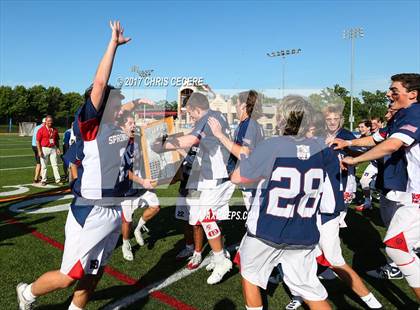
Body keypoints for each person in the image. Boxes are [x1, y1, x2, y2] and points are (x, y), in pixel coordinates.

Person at [16, 20, 132, 310]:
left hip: (112, 210)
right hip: (90, 211)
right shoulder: (90, 125)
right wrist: (113, 45)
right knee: (69, 276)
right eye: (114, 103)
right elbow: (101, 83)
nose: (118, 107)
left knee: (94, 271)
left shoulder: (116, 131)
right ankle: (27, 293)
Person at [231, 95, 336, 310]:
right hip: (304, 231)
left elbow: (237, 177)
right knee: (310, 292)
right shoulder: (323, 149)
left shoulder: (273, 145)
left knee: (250, 276)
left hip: (267, 229)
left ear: (283, 119)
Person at [341, 73, 420, 301]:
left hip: (416, 194)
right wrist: (348, 142)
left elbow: (391, 145)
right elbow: (378, 138)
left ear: (412, 95)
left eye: (394, 90)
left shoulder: (415, 112)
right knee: (399, 245)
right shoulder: (404, 115)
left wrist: (355, 160)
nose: (388, 94)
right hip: (409, 192)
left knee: (397, 246)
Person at [153, 92, 234, 284]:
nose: (191, 118)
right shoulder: (216, 115)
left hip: (217, 177)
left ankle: (221, 259)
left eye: (191, 114)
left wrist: (163, 144)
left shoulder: (207, 118)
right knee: (209, 219)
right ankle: (218, 255)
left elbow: (191, 140)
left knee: (205, 218)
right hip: (218, 175)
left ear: (197, 109)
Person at [208, 89, 264, 210]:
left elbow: (244, 153)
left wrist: (219, 135)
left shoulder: (249, 124)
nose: (236, 107)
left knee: (255, 223)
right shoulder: (249, 124)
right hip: (251, 180)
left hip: (251, 183)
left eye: (237, 104)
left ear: (243, 106)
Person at [118, 112, 160, 261]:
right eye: (130, 123)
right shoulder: (118, 145)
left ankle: (138, 229)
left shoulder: (137, 140)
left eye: (134, 122)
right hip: (127, 188)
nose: (133, 125)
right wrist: (142, 181)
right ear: (122, 127)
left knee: (156, 206)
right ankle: (125, 244)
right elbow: (123, 170)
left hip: (142, 184)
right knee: (127, 221)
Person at [355, 119, 377, 211]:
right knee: (364, 181)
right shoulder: (361, 138)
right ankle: (368, 202)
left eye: (362, 127)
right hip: (373, 164)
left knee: (383, 188)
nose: (360, 129)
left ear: (368, 127)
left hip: (384, 165)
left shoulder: (376, 137)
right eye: (359, 127)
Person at [36, 115, 62, 185]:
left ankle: (58, 179)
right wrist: (39, 150)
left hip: (53, 148)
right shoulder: (41, 130)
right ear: (46, 121)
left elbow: (56, 140)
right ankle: (44, 180)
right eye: (48, 121)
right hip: (44, 148)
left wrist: (58, 148)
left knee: (55, 165)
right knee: (44, 166)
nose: (50, 122)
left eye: (51, 121)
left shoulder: (55, 130)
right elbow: (37, 141)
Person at [31, 117, 45, 183]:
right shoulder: (42, 128)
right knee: (40, 163)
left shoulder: (37, 127)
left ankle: (40, 176)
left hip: (33, 146)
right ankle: (36, 178)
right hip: (38, 146)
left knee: (40, 162)